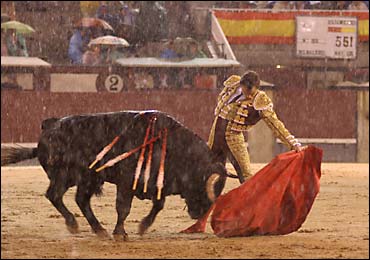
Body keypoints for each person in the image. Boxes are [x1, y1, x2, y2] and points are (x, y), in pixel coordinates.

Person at [207, 71, 302, 184]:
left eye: (250, 91)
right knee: (209, 170)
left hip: (233, 137)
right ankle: (208, 199)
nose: (248, 95)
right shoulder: (232, 86)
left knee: (246, 175)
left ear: (256, 88)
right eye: (245, 89)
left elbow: (275, 124)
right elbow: (220, 106)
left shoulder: (261, 100)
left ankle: (252, 200)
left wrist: (292, 144)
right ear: (241, 84)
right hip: (216, 133)